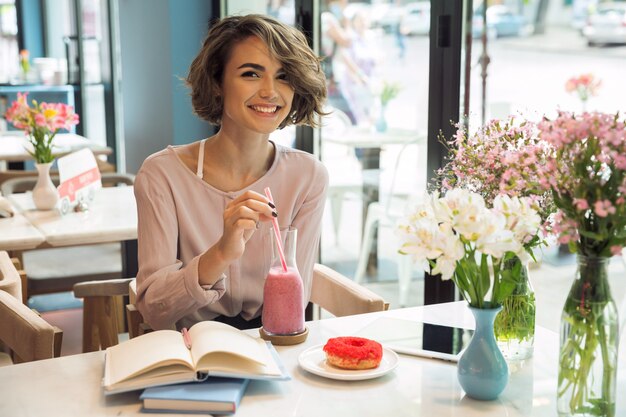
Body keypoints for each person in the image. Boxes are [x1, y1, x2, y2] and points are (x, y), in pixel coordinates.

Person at [134, 14, 329, 331]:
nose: (270, 91)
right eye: (251, 74)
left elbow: (297, 296)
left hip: (270, 344)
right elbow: (155, 308)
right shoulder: (162, 174)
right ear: (217, 82)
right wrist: (221, 253)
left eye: (283, 77)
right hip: (188, 351)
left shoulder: (308, 177)